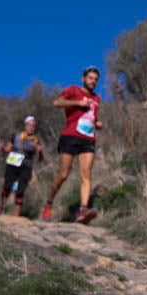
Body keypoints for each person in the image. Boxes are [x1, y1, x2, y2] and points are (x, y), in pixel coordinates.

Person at [42, 66, 103, 224]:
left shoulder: (97, 98)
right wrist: (77, 102)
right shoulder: (73, 90)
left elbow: (90, 116)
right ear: (83, 78)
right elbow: (57, 102)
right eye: (90, 78)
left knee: (86, 173)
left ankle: (83, 210)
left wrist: (97, 122)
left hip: (88, 138)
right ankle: (49, 203)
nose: (93, 81)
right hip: (70, 136)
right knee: (63, 175)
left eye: (96, 79)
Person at [0, 116, 44, 216]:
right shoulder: (16, 136)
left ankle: (16, 216)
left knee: (20, 190)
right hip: (13, 162)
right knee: (7, 186)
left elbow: (39, 159)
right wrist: (2, 148)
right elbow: (8, 149)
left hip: (26, 166)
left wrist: (39, 151)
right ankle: (1, 207)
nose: (31, 128)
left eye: (33, 126)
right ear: (25, 126)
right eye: (29, 125)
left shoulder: (36, 140)